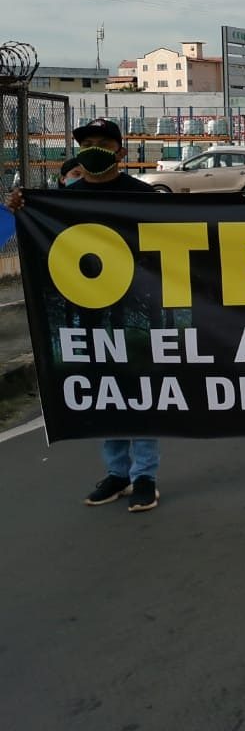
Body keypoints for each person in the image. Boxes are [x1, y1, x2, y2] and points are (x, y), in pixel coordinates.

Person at [7, 118, 162, 512]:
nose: (94, 149)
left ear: (120, 153)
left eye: (103, 143)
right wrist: (20, 208)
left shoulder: (143, 196)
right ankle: (117, 474)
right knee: (104, 391)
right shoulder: (63, 199)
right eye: (87, 143)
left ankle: (145, 476)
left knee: (139, 390)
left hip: (135, 310)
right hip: (86, 311)